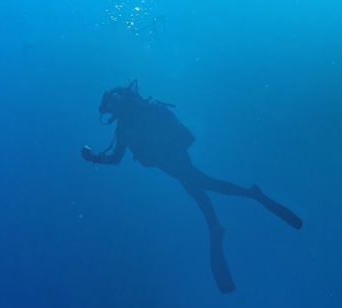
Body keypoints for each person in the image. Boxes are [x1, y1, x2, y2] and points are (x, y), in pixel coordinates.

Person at [81, 80, 302, 293]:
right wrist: (95, 158)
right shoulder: (137, 119)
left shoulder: (129, 126)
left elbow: (116, 159)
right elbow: (123, 157)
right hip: (175, 161)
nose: (112, 114)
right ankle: (227, 216)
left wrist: (93, 159)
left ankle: (238, 206)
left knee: (204, 185)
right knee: (199, 187)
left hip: (173, 162)